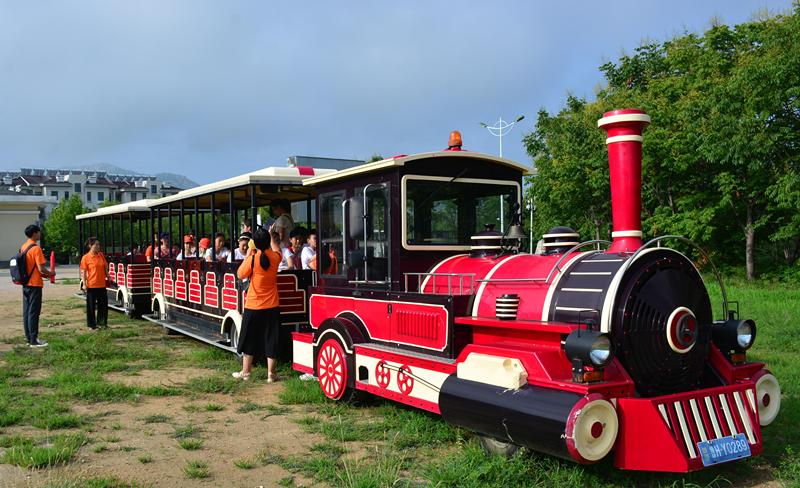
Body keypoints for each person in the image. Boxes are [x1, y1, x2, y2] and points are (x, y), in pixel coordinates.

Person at [232, 227, 282, 382]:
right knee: (271, 339)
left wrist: (249, 254)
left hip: (253, 305)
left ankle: (246, 373)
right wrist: (271, 234)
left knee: (249, 338)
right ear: (268, 241)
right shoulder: (275, 258)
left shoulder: (253, 259)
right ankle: (271, 375)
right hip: (272, 305)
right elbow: (278, 250)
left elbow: (240, 275)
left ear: (255, 244)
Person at [19, 225, 55, 347]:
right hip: (35, 285)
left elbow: (31, 267)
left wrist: (43, 276)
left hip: (25, 283)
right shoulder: (36, 249)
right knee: (34, 312)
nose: (40, 235)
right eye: (39, 233)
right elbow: (41, 268)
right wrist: (50, 273)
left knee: (27, 312)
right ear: (35, 234)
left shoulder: (23, 247)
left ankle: (29, 338)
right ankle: (34, 340)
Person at [80, 237, 111, 330]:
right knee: (91, 306)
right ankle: (92, 325)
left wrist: (109, 277)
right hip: (91, 284)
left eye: (99, 244)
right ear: (90, 246)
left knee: (103, 305)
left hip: (101, 284)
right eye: (96, 245)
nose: (98, 246)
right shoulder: (86, 257)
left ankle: (102, 322)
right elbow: (84, 272)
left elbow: (104, 268)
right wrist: (84, 284)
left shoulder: (101, 255)